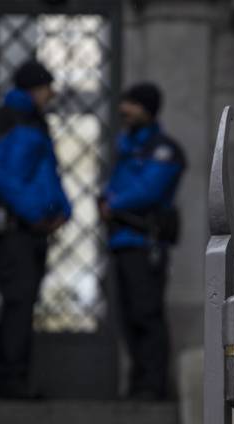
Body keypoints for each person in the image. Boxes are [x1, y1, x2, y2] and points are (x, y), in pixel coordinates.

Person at [0, 59, 71, 398]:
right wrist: (33, 213)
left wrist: (63, 210)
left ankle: (14, 378)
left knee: (23, 303)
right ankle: (6, 381)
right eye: (46, 88)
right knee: (15, 303)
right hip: (14, 230)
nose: (51, 95)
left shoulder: (36, 123)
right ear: (32, 89)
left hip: (33, 230)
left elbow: (48, 174)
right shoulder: (1, 122)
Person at [99, 82, 186, 400]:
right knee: (128, 315)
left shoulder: (163, 150)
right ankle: (138, 383)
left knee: (146, 313)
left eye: (132, 104)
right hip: (122, 241)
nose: (125, 110)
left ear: (147, 109)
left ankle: (152, 384)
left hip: (145, 243)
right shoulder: (126, 147)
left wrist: (113, 203)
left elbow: (149, 189)